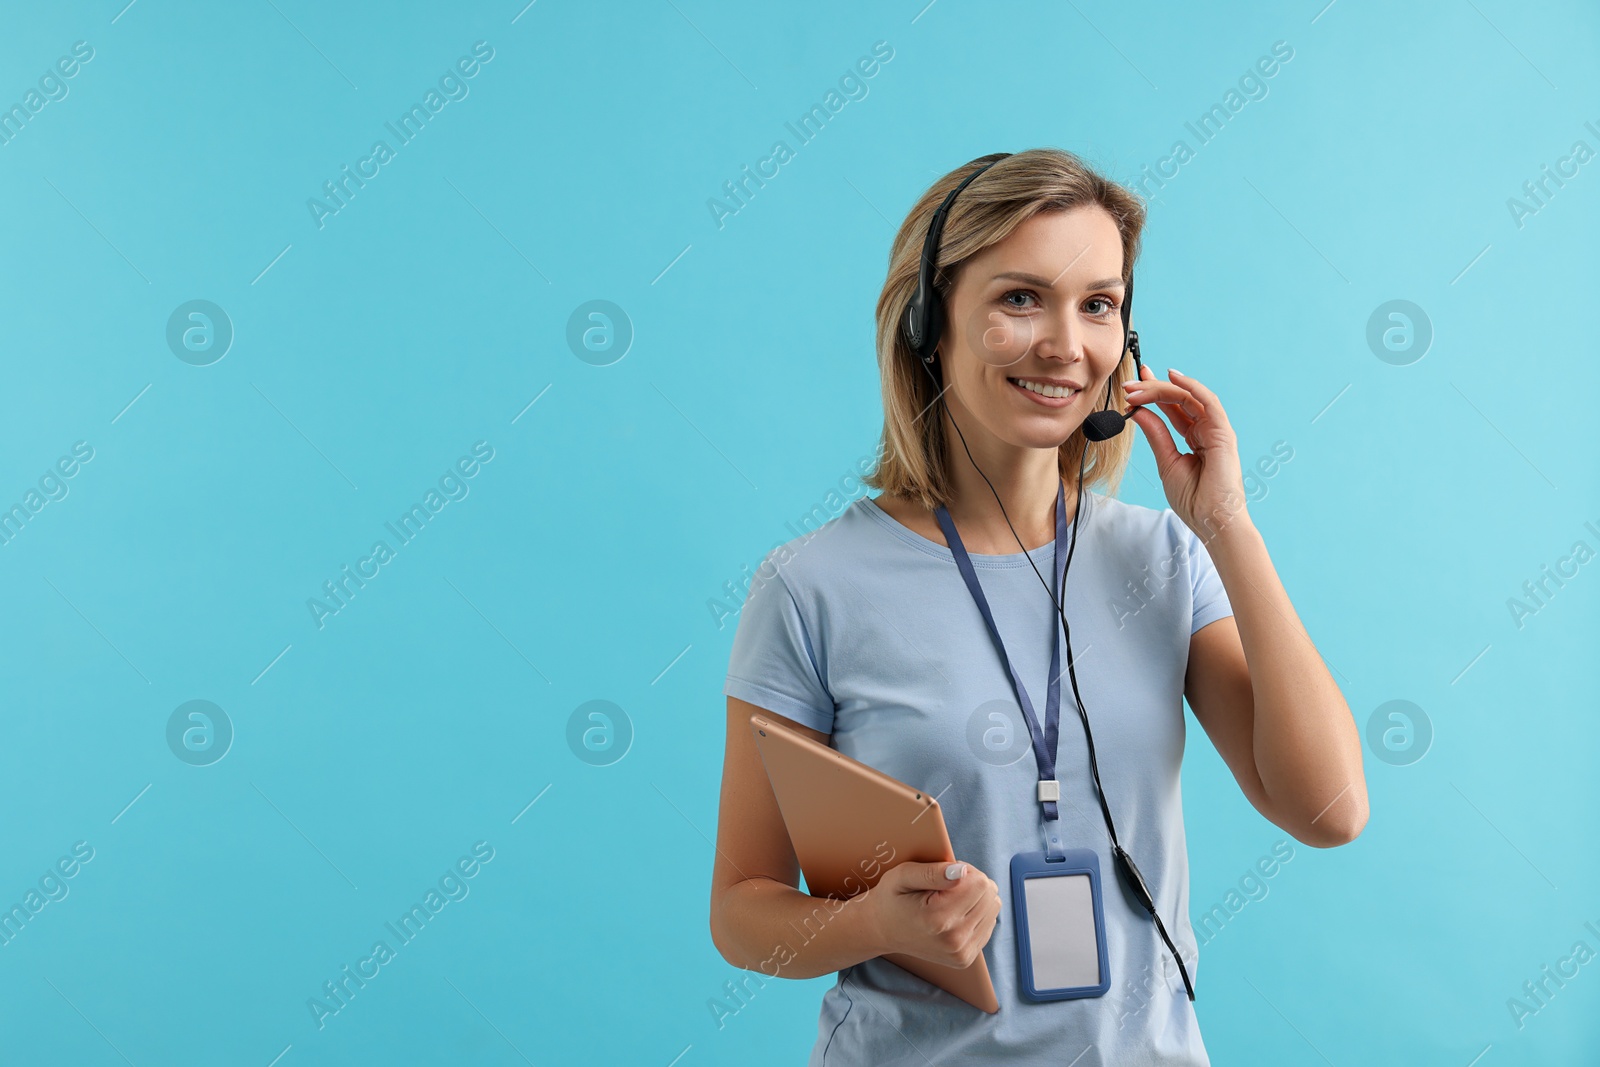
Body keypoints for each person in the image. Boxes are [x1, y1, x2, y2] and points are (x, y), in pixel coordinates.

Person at [708, 147, 1368, 1066]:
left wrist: (1228, 526)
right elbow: (743, 912)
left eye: (1098, 304)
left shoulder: (1164, 558)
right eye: (1021, 299)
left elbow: (1329, 810)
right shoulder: (811, 586)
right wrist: (872, 922)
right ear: (929, 321)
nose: (1067, 345)